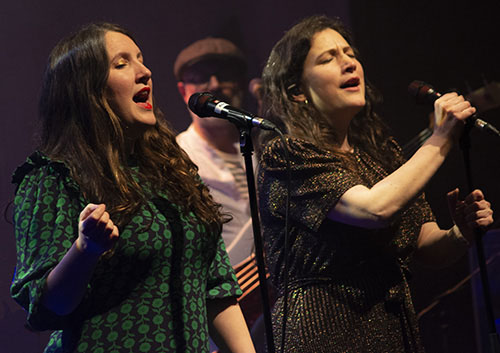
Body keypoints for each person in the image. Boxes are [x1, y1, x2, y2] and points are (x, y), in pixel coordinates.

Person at [10, 23, 255, 353]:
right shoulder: (53, 176)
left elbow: (215, 288)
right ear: (87, 89)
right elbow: (45, 306)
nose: (145, 72)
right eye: (122, 63)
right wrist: (85, 250)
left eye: (141, 59)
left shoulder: (175, 171)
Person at [256, 15, 494, 353]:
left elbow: (424, 243)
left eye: (349, 52)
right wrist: (441, 137)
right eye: (329, 58)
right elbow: (374, 208)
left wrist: (460, 233)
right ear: (297, 92)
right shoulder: (287, 155)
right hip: (323, 331)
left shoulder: (380, 154)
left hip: (392, 328)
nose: (348, 62)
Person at [175, 37, 255, 268]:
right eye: (200, 77)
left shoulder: (261, 146)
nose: (215, 85)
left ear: (241, 83)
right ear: (183, 91)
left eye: (225, 75)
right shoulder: (177, 156)